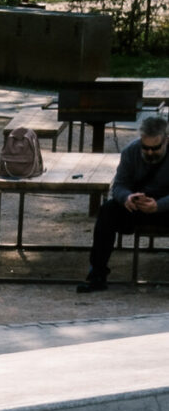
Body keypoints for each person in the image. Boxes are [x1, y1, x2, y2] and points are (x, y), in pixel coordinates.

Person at [76, 110, 169, 292]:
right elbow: (118, 185)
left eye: (155, 148)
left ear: (166, 140)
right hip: (138, 206)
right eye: (145, 147)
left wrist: (159, 206)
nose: (150, 152)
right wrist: (127, 198)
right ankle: (97, 273)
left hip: (165, 207)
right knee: (107, 211)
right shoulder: (130, 152)